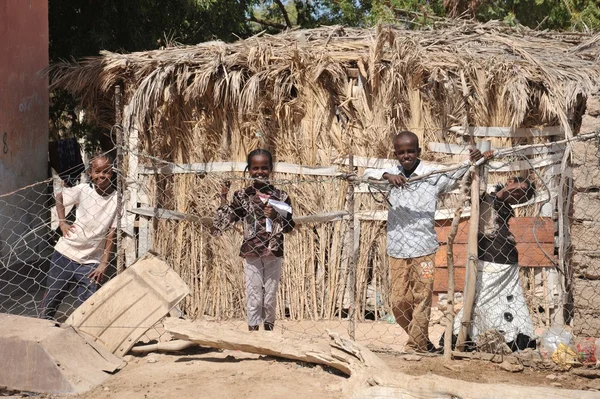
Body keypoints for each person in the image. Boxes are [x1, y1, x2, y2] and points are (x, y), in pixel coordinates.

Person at [363, 131, 482, 353]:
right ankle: (422, 340)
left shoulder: (431, 176)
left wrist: (472, 159)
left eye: (410, 151)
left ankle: (415, 347)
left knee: (422, 298)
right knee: (398, 301)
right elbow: (367, 173)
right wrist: (387, 176)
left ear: (418, 152)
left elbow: (456, 173)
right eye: (401, 152)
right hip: (397, 248)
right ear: (396, 154)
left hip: (424, 248)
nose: (406, 156)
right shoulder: (390, 177)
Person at [447, 175, 537, 351]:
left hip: (508, 267)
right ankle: (471, 338)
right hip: (486, 264)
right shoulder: (485, 199)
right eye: (519, 190)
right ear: (510, 181)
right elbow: (472, 184)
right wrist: (481, 159)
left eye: (523, 197)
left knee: (510, 305)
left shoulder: (505, 208)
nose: (518, 196)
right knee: (481, 303)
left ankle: (514, 341)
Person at [212, 149, 295, 331]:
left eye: (264, 168)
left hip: (274, 251)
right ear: (249, 170)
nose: (260, 172)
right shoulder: (242, 197)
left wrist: (276, 216)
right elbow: (225, 220)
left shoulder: (281, 197)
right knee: (254, 293)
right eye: (255, 168)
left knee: (270, 294)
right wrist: (224, 196)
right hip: (252, 250)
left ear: (270, 169)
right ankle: (253, 330)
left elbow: (290, 226)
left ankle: (269, 329)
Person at [41, 153, 118, 320]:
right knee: (51, 300)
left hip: (90, 262)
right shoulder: (83, 190)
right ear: (90, 173)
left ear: (112, 173)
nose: (102, 176)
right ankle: (42, 330)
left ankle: (82, 337)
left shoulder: (117, 199)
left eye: (106, 172)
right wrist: (62, 222)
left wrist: (103, 263)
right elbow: (60, 196)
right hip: (65, 253)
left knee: (89, 306)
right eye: (97, 171)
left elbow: (112, 233)